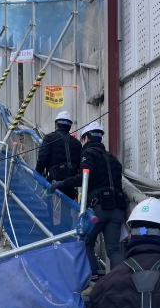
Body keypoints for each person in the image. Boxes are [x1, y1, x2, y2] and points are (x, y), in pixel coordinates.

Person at [51, 122, 126, 285]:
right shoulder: (113, 159)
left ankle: (93, 281)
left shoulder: (88, 154)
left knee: (86, 242)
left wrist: (62, 183)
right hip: (118, 208)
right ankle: (127, 281)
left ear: (86, 138)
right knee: (113, 249)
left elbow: (85, 178)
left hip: (99, 208)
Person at [35, 111, 82, 199]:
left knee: (51, 204)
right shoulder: (77, 143)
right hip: (71, 182)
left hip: (54, 179)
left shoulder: (49, 138)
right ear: (70, 126)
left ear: (56, 125)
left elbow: (42, 159)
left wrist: (37, 174)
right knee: (68, 204)